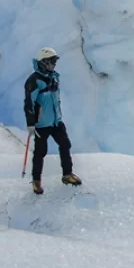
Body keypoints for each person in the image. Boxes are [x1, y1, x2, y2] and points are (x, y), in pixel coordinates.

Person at [24, 47, 81, 194]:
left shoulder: (54, 76)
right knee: (40, 152)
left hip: (56, 122)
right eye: (51, 61)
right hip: (42, 124)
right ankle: (36, 181)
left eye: (54, 61)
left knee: (65, 145)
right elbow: (29, 103)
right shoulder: (34, 80)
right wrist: (31, 123)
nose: (54, 64)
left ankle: (67, 175)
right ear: (43, 62)